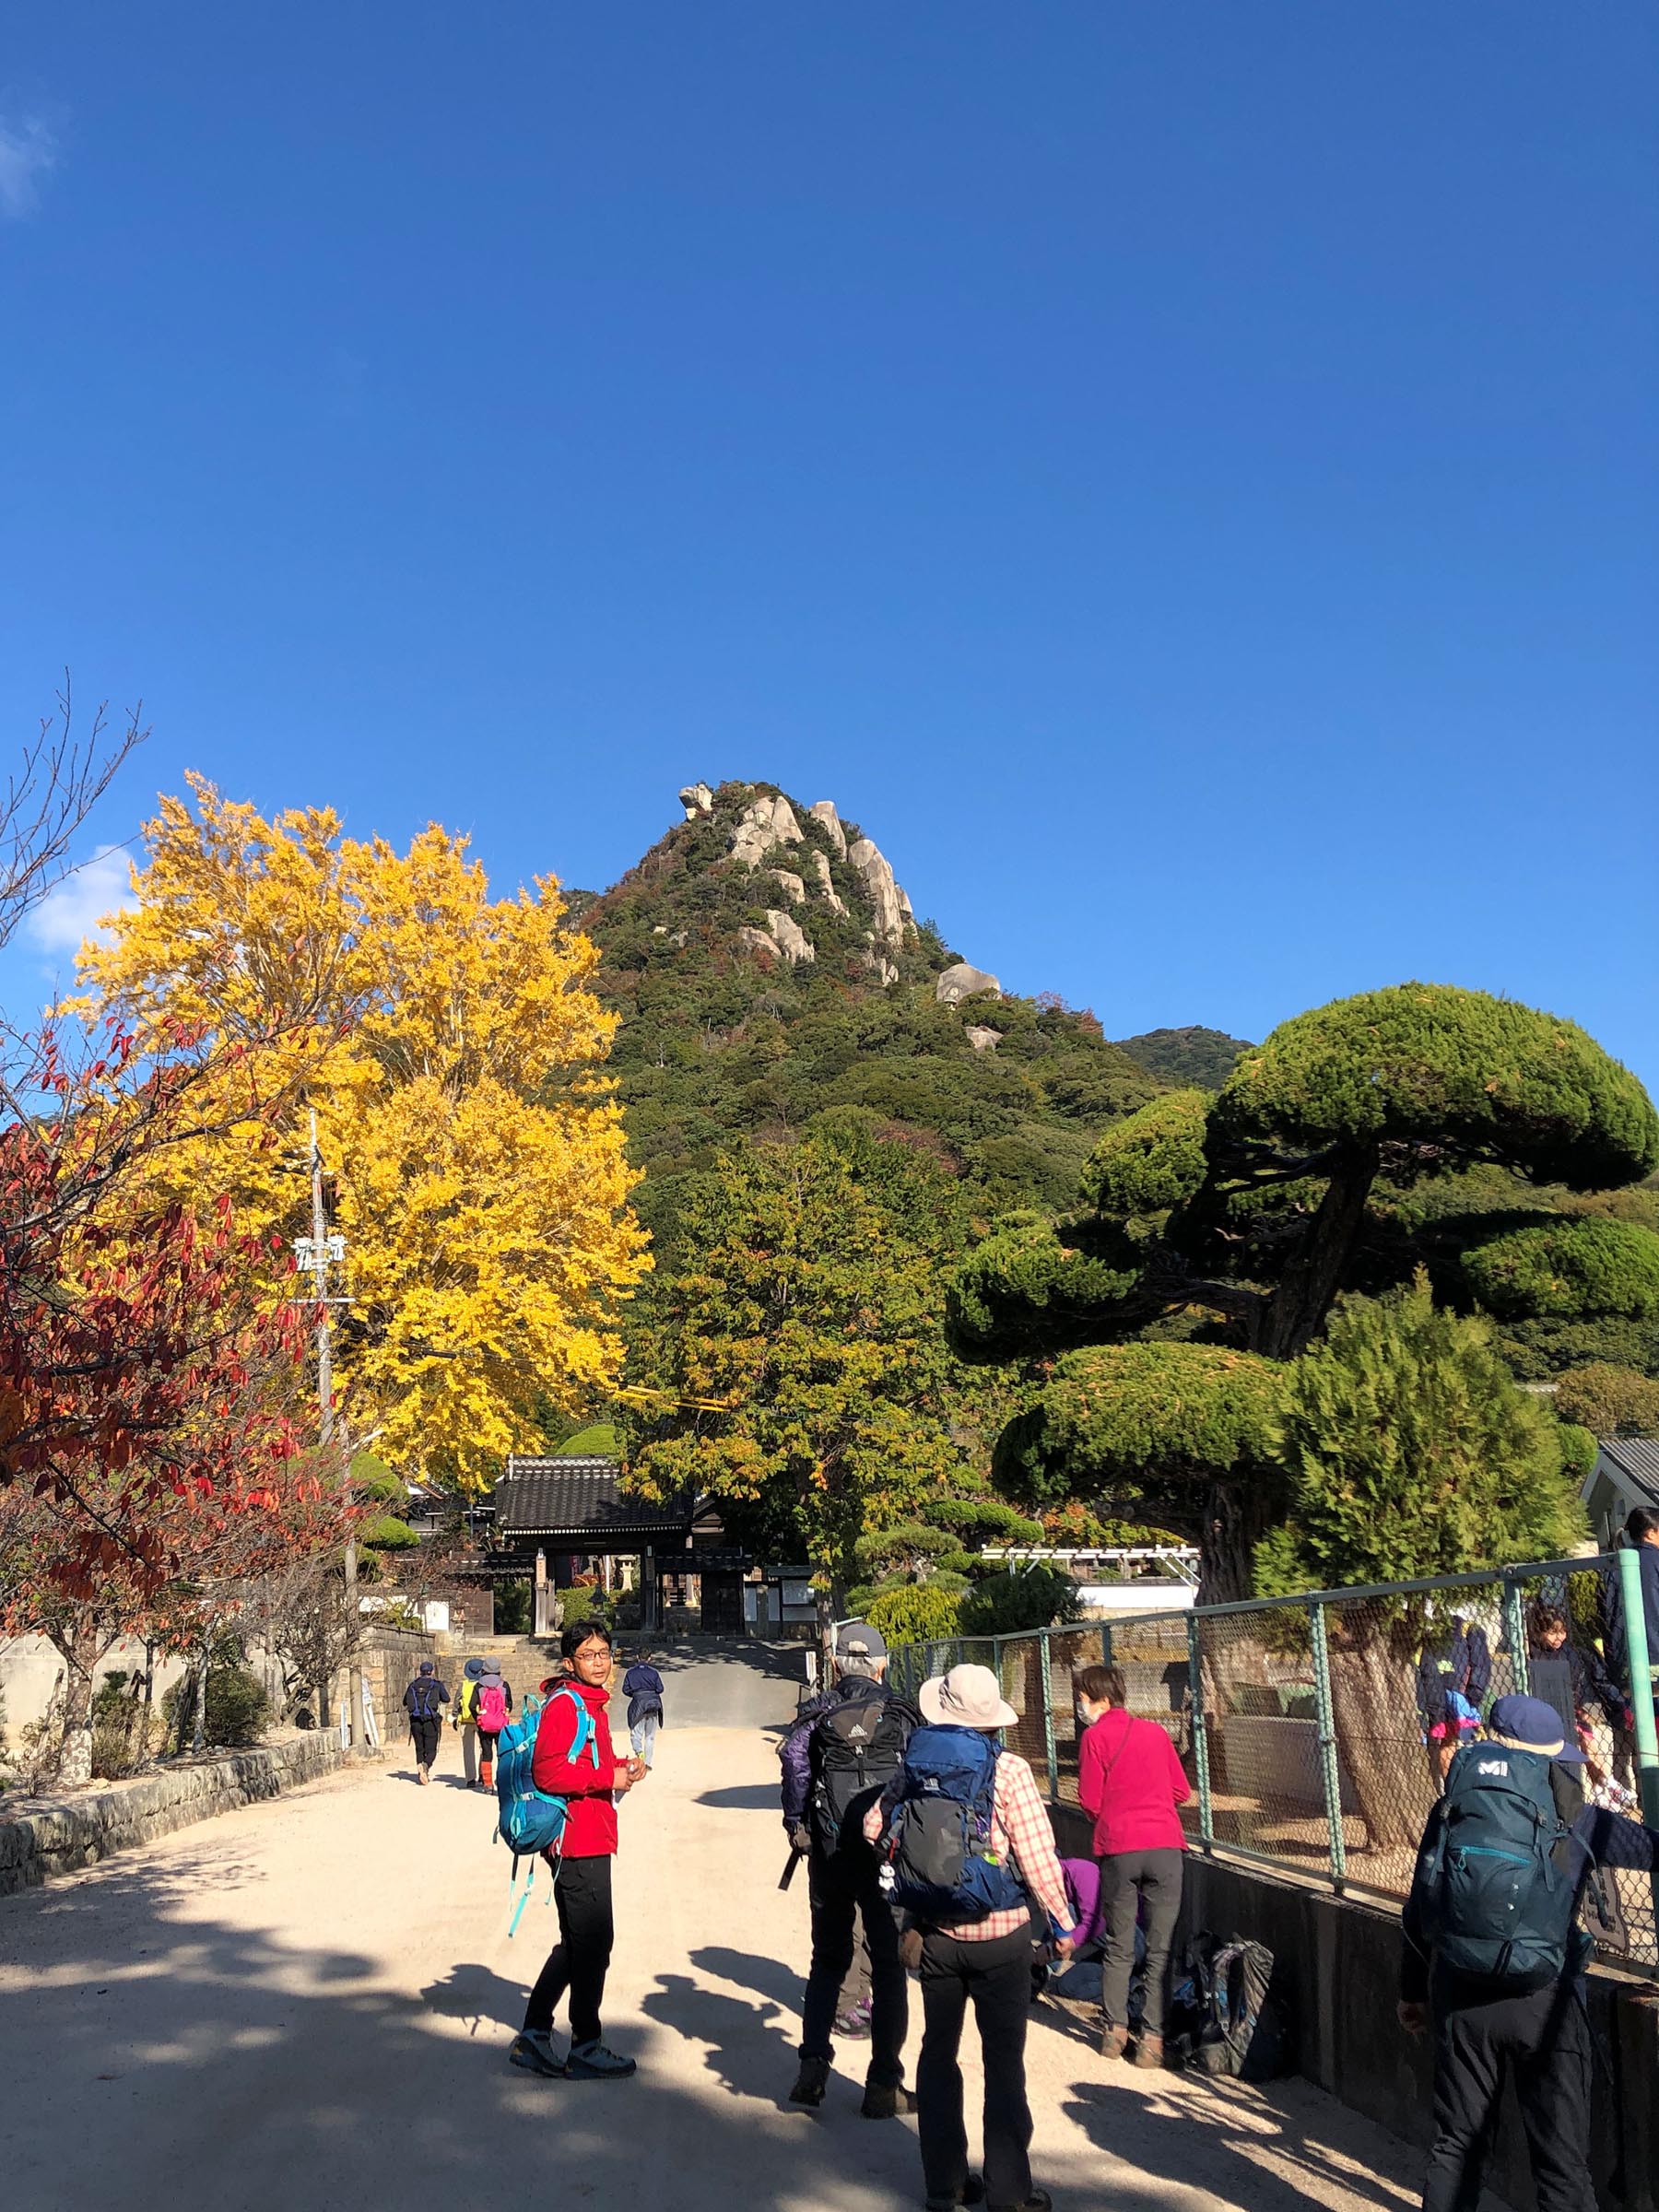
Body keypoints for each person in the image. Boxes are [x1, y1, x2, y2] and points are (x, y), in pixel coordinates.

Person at [866, 1662, 1076, 2212]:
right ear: (991, 1717)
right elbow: (1038, 1857)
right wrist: (1062, 1924)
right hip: (1002, 1937)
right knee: (1003, 2062)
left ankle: (946, 2185)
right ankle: (1009, 2193)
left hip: (936, 1935)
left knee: (939, 2053)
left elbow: (873, 1827)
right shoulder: (1009, 1769)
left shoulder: (916, 1760)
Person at [1398, 1693, 1612, 2212]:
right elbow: (1646, 1847)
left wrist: (1412, 1993)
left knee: (1457, 2148)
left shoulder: (1453, 1808)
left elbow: (1420, 1905)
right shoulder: (1574, 1814)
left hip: (1461, 1992)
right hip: (1547, 1999)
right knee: (1562, 2165)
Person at [778, 1620, 917, 2116]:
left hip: (831, 1852)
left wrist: (797, 1824)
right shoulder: (901, 1714)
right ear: (882, 1666)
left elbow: (795, 1767)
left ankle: (812, 2069)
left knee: (827, 1959)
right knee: (889, 1967)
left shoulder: (819, 1713)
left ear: (836, 1666)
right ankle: (883, 2084)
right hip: (887, 1857)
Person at [509, 1621, 646, 2081]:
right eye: (588, 1655)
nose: (599, 1662)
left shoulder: (591, 1704)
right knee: (592, 1944)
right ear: (569, 1662)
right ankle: (584, 2044)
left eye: (604, 1652)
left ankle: (535, 2034)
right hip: (576, 1841)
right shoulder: (567, 1705)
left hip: (589, 1836)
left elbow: (585, 1762)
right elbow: (549, 1773)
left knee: (582, 1943)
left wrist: (621, 1767)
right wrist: (608, 1778)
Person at [1076, 1662, 1192, 2068]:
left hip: (1119, 1847)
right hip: (1165, 1847)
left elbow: (1090, 1800)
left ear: (1102, 1699)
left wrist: (1115, 1810)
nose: (1081, 1705)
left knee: (1119, 1944)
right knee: (1160, 1947)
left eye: (1083, 1698)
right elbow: (1181, 1790)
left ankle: (1115, 2031)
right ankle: (1153, 2042)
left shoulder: (1094, 1738)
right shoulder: (1156, 1733)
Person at [1417, 1613, 1492, 1786]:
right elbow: (1481, 1667)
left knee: (1450, 1742)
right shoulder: (1469, 1630)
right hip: (1461, 1697)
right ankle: (1460, 1785)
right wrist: (1474, 1697)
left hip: (1446, 1696)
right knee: (1465, 1741)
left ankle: (1452, 1785)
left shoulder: (1434, 1634)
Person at [402, 1659, 450, 1785]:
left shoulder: (413, 1685)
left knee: (419, 1748)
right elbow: (446, 1699)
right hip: (430, 1720)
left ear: (420, 1671)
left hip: (415, 1720)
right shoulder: (436, 1685)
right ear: (431, 1672)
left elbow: (405, 1702)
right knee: (431, 1749)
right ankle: (426, 1765)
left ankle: (421, 1771)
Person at [473, 1658, 513, 1791]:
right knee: (502, 1753)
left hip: (484, 1725)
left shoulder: (479, 1685)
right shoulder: (504, 1684)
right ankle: (502, 1780)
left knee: (486, 1753)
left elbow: (472, 1705)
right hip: (501, 1724)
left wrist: (479, 1718)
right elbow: (510, 1703)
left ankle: (488, 1784)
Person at [622, 1650, 665, 1768]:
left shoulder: (630, 1673)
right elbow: (660, 1689)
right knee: (650, 1736)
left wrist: (635, 1694)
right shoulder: (654, 1673)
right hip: (653, 1705)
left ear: (637, 1657)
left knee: (636, 1734)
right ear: (649, 1658)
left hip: (638, 1705)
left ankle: (639, 1751)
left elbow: (625, 1690)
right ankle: (647, 1763)